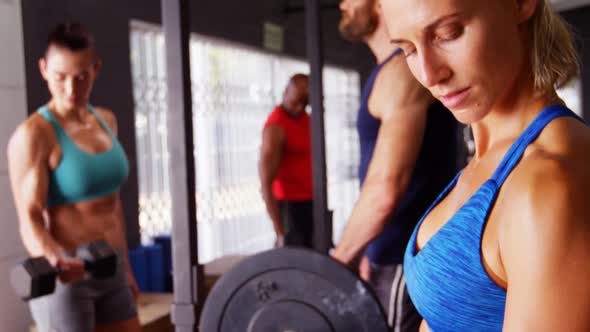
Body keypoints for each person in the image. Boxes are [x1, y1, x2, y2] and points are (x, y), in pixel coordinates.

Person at [378, 0, 590, 331]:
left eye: (448, 33)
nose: (430, 75)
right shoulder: (490, 158)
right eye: (407, 49)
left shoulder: (546, 182)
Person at [332, 0, 461, 330]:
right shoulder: (388, 71)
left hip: (404, 253)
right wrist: (364, 252)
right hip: (388, 252)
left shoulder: (402, 74)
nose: (342, 4)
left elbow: (386, 187)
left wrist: (338, 259)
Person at [7, 22, 141, 332]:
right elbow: (29, 217)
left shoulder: (106, 120)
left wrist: (127, 270)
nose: (71, 89)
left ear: (96, 68)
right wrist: (53, 257)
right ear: (43, 69)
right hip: (67, 277)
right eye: (60, 77)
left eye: (81, 77)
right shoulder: (34, 134)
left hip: (113, 267)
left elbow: (113, 204)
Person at [259, 74, 314, 248]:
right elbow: (266, 184)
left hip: (311, 201)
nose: (299, 108)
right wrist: (280, 232)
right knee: (296, 264)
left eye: (304, 104)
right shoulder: (276, 127)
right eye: (295, 102)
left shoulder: (307, 120)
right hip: (289, 207)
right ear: (285, 92)